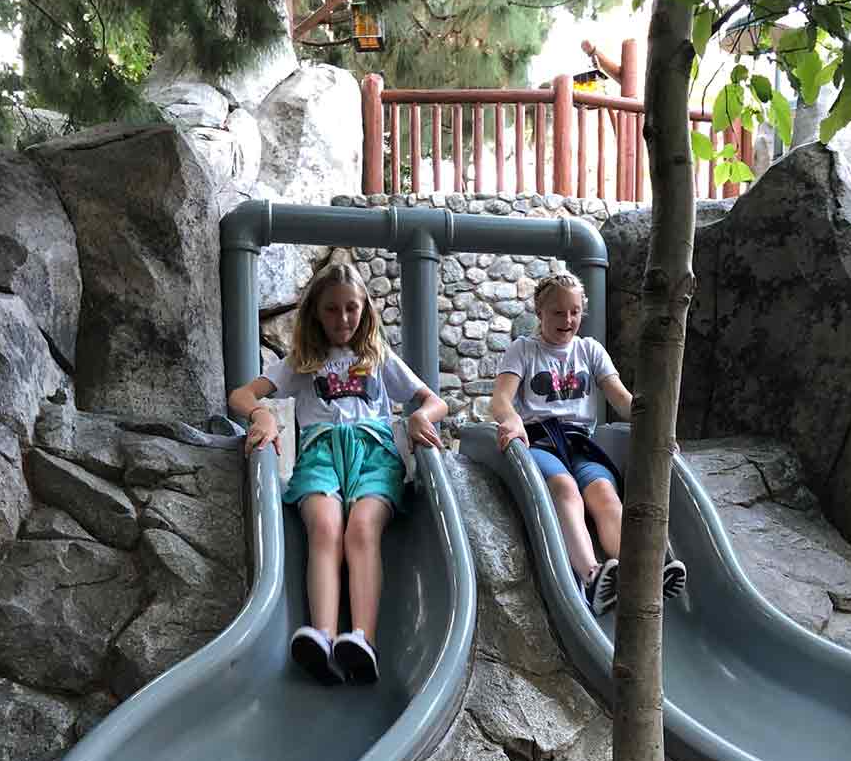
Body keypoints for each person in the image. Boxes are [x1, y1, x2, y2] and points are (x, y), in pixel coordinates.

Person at [228, 262, 448, 686]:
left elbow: (432, 400)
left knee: (362, 530)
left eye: (352, 308)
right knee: (325, 529)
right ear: (315, 312)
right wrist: (261, 413)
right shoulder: (302, 363)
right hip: (321, 455)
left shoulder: (378, 358)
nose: (343, 319)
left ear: (365, 309)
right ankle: (322, 636)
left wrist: (422, 415)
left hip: (373, 455)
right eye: (331, 310)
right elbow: (241, 394)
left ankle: (361, 638)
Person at [489, 270, 687, 616]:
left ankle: (643, 574)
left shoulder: (589, 350)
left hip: (581, 442)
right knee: (565, 489)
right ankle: (592, 576)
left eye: (575, 311)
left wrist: (656, 429)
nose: (568, 320)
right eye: (558, 312)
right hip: (540, 440)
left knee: (605, 494)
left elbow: (623, 399)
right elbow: (500, 400)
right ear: (540, 312)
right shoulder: (524, 349)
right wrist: (512, 419)